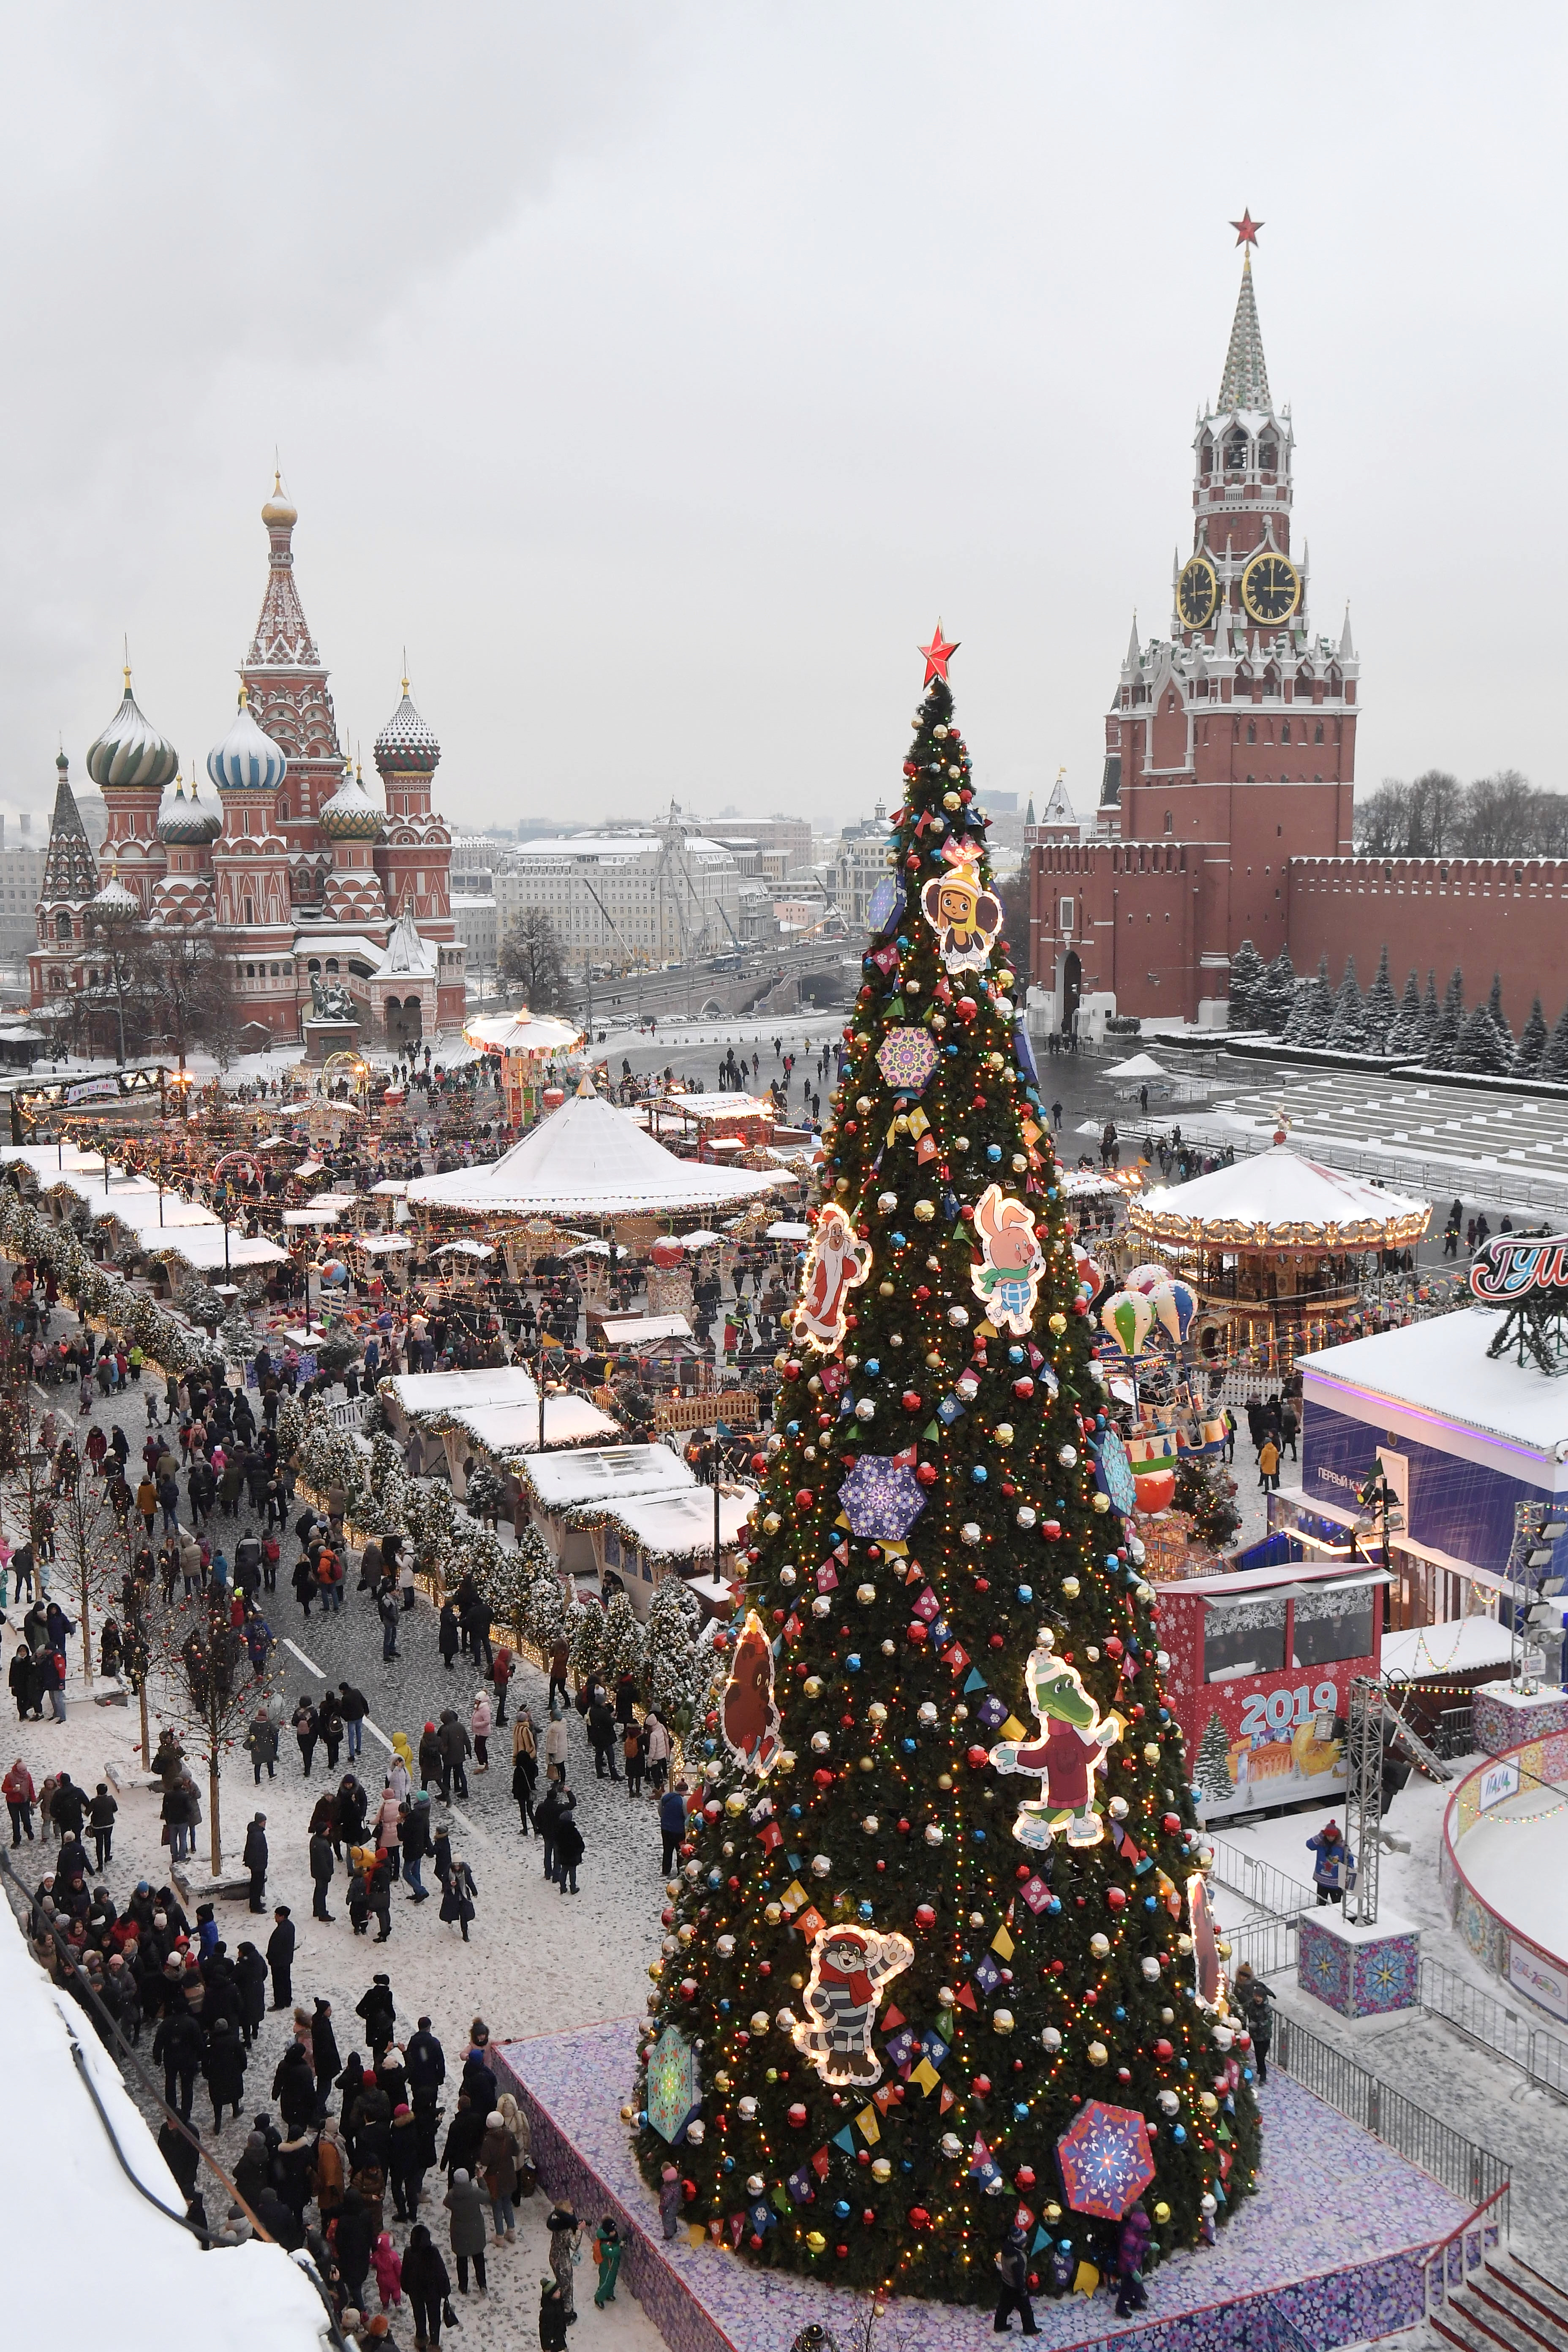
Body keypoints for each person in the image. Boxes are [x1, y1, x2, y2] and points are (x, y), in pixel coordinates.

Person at [400, 2221, 450, 2351]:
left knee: (419, 2314)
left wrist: (405, 2286)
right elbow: (441, 2273)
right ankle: (434, 2343)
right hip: (432, 2292)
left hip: (415, 2291)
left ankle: (421, 2337)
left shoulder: (409, 2252)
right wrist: (445, 2290)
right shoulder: (433, 2253)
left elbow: (405, 2271)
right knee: (434, 2318)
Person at [444, 2167, 488, 2296]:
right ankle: (482, 2285)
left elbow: (446, 2203)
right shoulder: (475, 2193)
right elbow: (487, 2197)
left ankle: (463, 2286)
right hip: (476, 2230)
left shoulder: (452, 2195)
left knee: (461, 2259)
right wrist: (481, 2179)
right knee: (479, 2258)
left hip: (459, 2232)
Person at [992, 2219, 1038, 2336]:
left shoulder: (1006, 2251)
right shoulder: (1018, 2259)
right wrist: (1023, 2291)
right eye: (1024, 2242)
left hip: (1006, 2283)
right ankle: (1030, 2329)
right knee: (1026, 2310)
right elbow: (1019, 2278)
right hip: (1016, 2288)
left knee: (1004, 2306)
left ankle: (999, 2325)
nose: (1026, 2244)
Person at [203, 2015, 248, 2129]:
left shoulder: (210, 2043)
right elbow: (242, 2056)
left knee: (217, 2099)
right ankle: (236, 2110)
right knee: (234, 2092)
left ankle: (218, 2122)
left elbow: (205, 2060)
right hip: (233, 2072)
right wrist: (241, 2069)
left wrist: (207, 2073)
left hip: (216, 2075)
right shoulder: (233, 2040)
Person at [479, 2109, 517, 2242]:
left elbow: (485, 2162)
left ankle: (500, 2236)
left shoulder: (488, 2141)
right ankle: (511, 2231)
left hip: (495, 2178)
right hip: (509, 2175)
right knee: (507, 2202)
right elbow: (516, 2152)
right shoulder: (510, 2135)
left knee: (497, 2206)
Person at [1115, 2202, 1152, 2318]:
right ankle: (1121, 2307)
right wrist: (1133, 2270)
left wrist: (1149, 2246)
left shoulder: (1136, 2235)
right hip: (1128, 2268)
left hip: (1136, 2264)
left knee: (1136, 2285)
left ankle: (1136, 2302)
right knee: (1127, 2289)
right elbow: (1127, 2256)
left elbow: (1140, 2245)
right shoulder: (1129, 2237)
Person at [1307, 1821, 1355, 1906]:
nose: (1331, 1838)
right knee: (1321, 1906)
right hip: (1322, 1882)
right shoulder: (1320, 1843)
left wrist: (1349, 1875)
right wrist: (1321, 1835)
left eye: (1333, 1836)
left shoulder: (1342, 1846)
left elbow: (1350, 1860)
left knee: (1337, 1906)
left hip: (1336, 1883)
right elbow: (1310, 1845)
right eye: (1328, 1836)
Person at [545, 2203, 580, 2322]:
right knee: (567, 2287)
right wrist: (579, 2231)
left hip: (554, 2257)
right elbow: (574, 2246)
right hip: (563, 2263)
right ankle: (567, 2314)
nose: (573, 2209)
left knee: (561, 2283)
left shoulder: (557, 2225)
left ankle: (559, 2306)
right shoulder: (566, 2231)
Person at [440, 1855, 477, 1941]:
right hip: (452, 1897)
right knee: (450, 1912)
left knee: (464, 1915)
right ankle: (449, 1920)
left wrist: (474, 1892)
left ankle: (465, 1933)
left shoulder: (466, 1871)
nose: (457, 1867)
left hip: (463, 1897)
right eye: (455, 1865)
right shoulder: (448, 1872)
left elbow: (470, 1882)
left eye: (458, 1865)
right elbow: (444, 1886)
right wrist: (450, 1885)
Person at [553, 1793, 583, 1896]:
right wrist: (580, 1850)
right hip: (573, 1856)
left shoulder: (559, 1830)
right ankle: (573, 1888)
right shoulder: (573, 1831)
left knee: (564, 1871)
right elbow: (580, 1843)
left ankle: (563, 1887)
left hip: (563, 1855)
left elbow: (557, 1842)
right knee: (572, 1872)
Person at [267, 1904, 295, 2006]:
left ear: (282, 1917)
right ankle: (287, 2000)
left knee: (278, 1983)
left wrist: (270, 1957)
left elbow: (275, 1948)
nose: (275, 1917)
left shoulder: (280, 1931)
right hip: (286, 1960)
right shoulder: (290, 1926)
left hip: (278, 1962)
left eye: (277, 1915)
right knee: (286, 1981)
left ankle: (279, 2003)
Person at [5, 1759, 36, 1846]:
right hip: (12, 1803)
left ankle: (28, 1830)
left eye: (26, 1770)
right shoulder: (10, 1777)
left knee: (26, 1819)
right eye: (23, 1770)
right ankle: (17, 1840)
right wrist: (12, 1790)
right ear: (18, 1770)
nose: (25, 1772)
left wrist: (34, 1800)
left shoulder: (28, 1775)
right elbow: (4, 1789)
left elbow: (31, 1787)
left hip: (24, 1801)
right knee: (16, 1821)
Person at [659, 1778, 688, 1876]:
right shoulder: (683, 1801)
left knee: (667, 1850)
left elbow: (660, 1812)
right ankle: (680, 1871)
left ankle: (666, 1870)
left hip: (665, 1829)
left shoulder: (666, 1797)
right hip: (678, 1831)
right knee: (680, 1851)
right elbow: (687, 1816)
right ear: (683, 1791)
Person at [87, 1781, 117, 1871]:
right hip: (109, 1824)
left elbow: (87, 1813)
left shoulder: (94, 1802)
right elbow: (115, 1810)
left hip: (97, 1826)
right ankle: (107, 1856)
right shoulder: (111, 1799)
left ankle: (100, 1865)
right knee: (108, 1840)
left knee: (99, 1844)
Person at [592, 2216, 621, 2308]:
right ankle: (599, 2298)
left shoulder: (612, 2238)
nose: (615, 2232)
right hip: (606, 2267)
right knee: (605, 2282)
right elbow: (611, 2253)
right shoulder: (604, 2244)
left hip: (613, 2266)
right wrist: (619, 2247)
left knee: (612, 2281)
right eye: (613, 2231)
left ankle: (609, 2294)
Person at [244, 1813, 269, 1912]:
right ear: (260, 1822)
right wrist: (261, 1864)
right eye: (264, 1822)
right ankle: (255, 1906)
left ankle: (256, 1903)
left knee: (256, 1884)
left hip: (256, 1864)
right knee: (257, 1886)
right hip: (258, 1864)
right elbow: (258, 1851)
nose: (265, 1824)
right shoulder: (258, 1835)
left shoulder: (255, 1831)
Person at [539, 2278, 569, 2352]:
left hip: (559, 2334)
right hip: (552, 2341)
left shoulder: (559, 2302)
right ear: (551, 2295)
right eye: (557, 2292)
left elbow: (561, 2317)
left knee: (561, 2344)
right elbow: (544, 2331)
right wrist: (546, 2347)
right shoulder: (547, 2312)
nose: (559, 2292)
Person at [659, 2161, 682, 2240]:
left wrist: (662, 2207)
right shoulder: (677, 2185)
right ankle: (674, 2229)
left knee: (667, 2220)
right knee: (673, 2218)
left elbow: (666, 2200)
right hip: (676, 2205)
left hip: (669, 2208)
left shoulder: (668, 2189)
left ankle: (669, 2234)